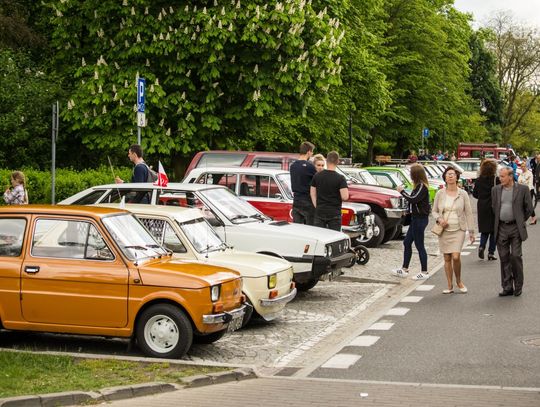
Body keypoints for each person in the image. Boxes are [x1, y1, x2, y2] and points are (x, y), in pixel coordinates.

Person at [432, 167, 475, 294]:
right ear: (445, 178)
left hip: (458, 229)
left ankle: (459, 281)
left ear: (457, 177)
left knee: (455, 256)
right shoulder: (440, 193)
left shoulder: (463, 194)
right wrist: (440, 219)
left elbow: (468, 213)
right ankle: (449, 285)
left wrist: (471, 232)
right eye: (448, 174)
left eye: (452, 174)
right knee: (446, 257)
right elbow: (434, 211)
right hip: (444, 229)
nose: (450, 176)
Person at [492, 167, 533, 297]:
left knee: (515, 256)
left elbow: (529, 208)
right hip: (501, 227)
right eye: (500, 176)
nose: (500, 178)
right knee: (504, 257)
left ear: (510, 176)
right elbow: (494, 207)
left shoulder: (522, 189)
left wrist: (520, 220)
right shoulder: (495, 190)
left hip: (516, 227)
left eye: (503, 176)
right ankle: (507, 286)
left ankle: (518, 285)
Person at [391, 164, 431, 280]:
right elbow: (414, 202)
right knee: (407, 242)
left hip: (420, 219)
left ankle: (424, 271)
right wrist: (408, 211)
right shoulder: (418, 186)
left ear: (415, 174)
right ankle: (404, 269)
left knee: (419, 245)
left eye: (411, 173)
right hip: (415, 219)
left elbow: (413, 200)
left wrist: (402, 191)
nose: (410, 175)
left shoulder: (422, 186)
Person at [310, 151, 349, 231]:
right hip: (334, 213)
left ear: (326, 161)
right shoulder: (340, 178)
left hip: (320, 211)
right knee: (334, 236)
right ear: (337, 161)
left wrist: (317, 206)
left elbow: (312, 193)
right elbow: (345, 197)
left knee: (319, 235)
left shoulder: (317, 176)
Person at [473, 159, 499, 260]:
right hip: (493, 206)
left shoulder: (479, 180)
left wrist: (482, 196)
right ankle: (491, 252)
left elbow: (475, 194)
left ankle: (481, 246)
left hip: (482, 206)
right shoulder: (496, 180)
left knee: (484, 230)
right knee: (494, 230)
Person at [290, 141, 317, 225]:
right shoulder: (310, 166)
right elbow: (317, 182)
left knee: (298, 227)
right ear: (308, 152)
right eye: (312, 152)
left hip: (296, 200)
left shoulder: (293, 166)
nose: (312, 154)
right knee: (310, 228)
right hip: (307, 200)